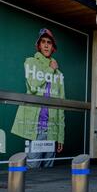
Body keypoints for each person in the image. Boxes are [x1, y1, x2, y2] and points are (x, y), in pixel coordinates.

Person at [11, 28, 65, 168]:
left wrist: (60, 136)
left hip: (52, 129)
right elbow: (33, 86)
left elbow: (61, 105)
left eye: (49, 42)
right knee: (33, 168)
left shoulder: (58, 73)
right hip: (35, 128)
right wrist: (50, 69)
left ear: (53, 47)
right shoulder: (30, 62)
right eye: (43, 42)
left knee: (48, 169)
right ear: (39, 45)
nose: (46, 45)